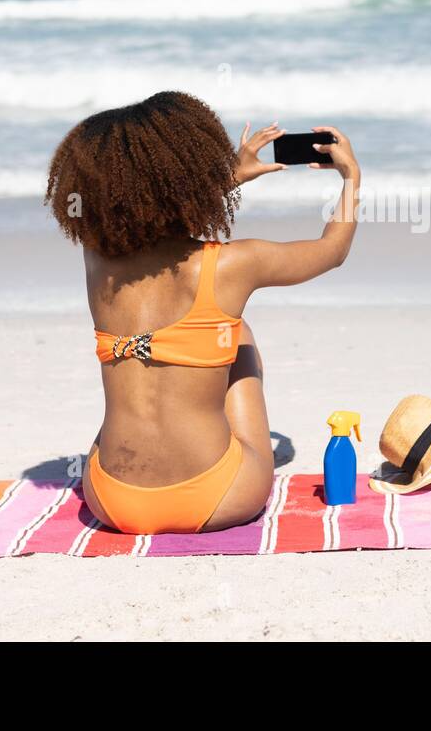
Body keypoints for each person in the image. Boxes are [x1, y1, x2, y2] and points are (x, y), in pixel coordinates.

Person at [44, 91, 359, 533]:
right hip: (217, 497)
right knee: (237, 333)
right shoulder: (233, 265)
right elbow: (332, 251)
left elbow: (142, 209)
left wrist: (230, 176)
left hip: (111, 502)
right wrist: (351, 179)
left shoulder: (97, 261)